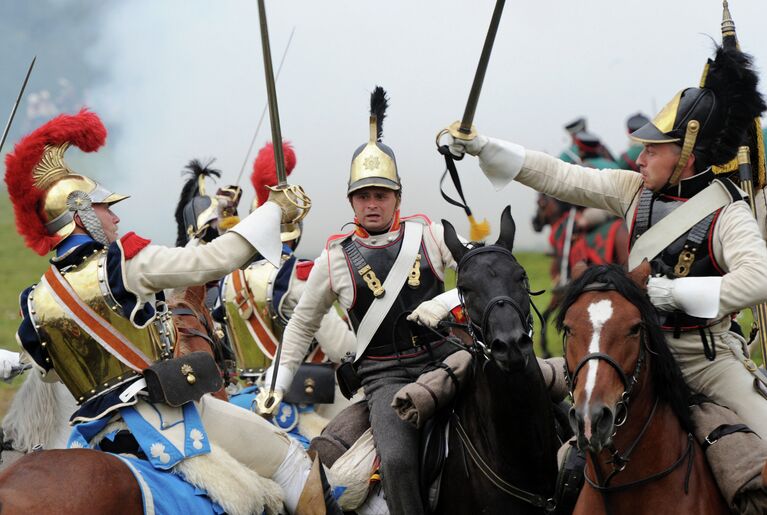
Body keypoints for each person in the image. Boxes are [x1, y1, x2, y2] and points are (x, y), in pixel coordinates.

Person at [6, 109, 338, 513]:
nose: (116, 216)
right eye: (106, 208)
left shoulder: (34, 301)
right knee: (287, 459)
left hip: (91, 435)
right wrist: (272, 209)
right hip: (163, 417)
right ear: (81, 213)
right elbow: (217, 259)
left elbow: (50, 373)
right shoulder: (123, 263)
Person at [442, 44, 767, 439]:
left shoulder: (729, 211)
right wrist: (483, 146)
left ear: (687, 154)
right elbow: (563, 177)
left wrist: (667, 293)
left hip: (707, 359)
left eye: (652, 150)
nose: (640, 159)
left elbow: (758, 279)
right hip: (630, 350)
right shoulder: (632, 190)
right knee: (569, 460)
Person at [258, 86, 461, 515]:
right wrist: (277, 381)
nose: (372, 204)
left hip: (446, 358)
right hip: (386, 379)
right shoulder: (333, 258)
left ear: (397, 198)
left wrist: (444, 304)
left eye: (381, 195)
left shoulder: (431, 234)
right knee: (399, 461)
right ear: (352, 200)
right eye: (364, 195)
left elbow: (483, 277)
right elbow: (301, 326)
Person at [221, 141, 356, 427]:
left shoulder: (230, 280)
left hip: (243, 397)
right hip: (303, 405)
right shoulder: (297, 276)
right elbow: (343, 350)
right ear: (295, 230)